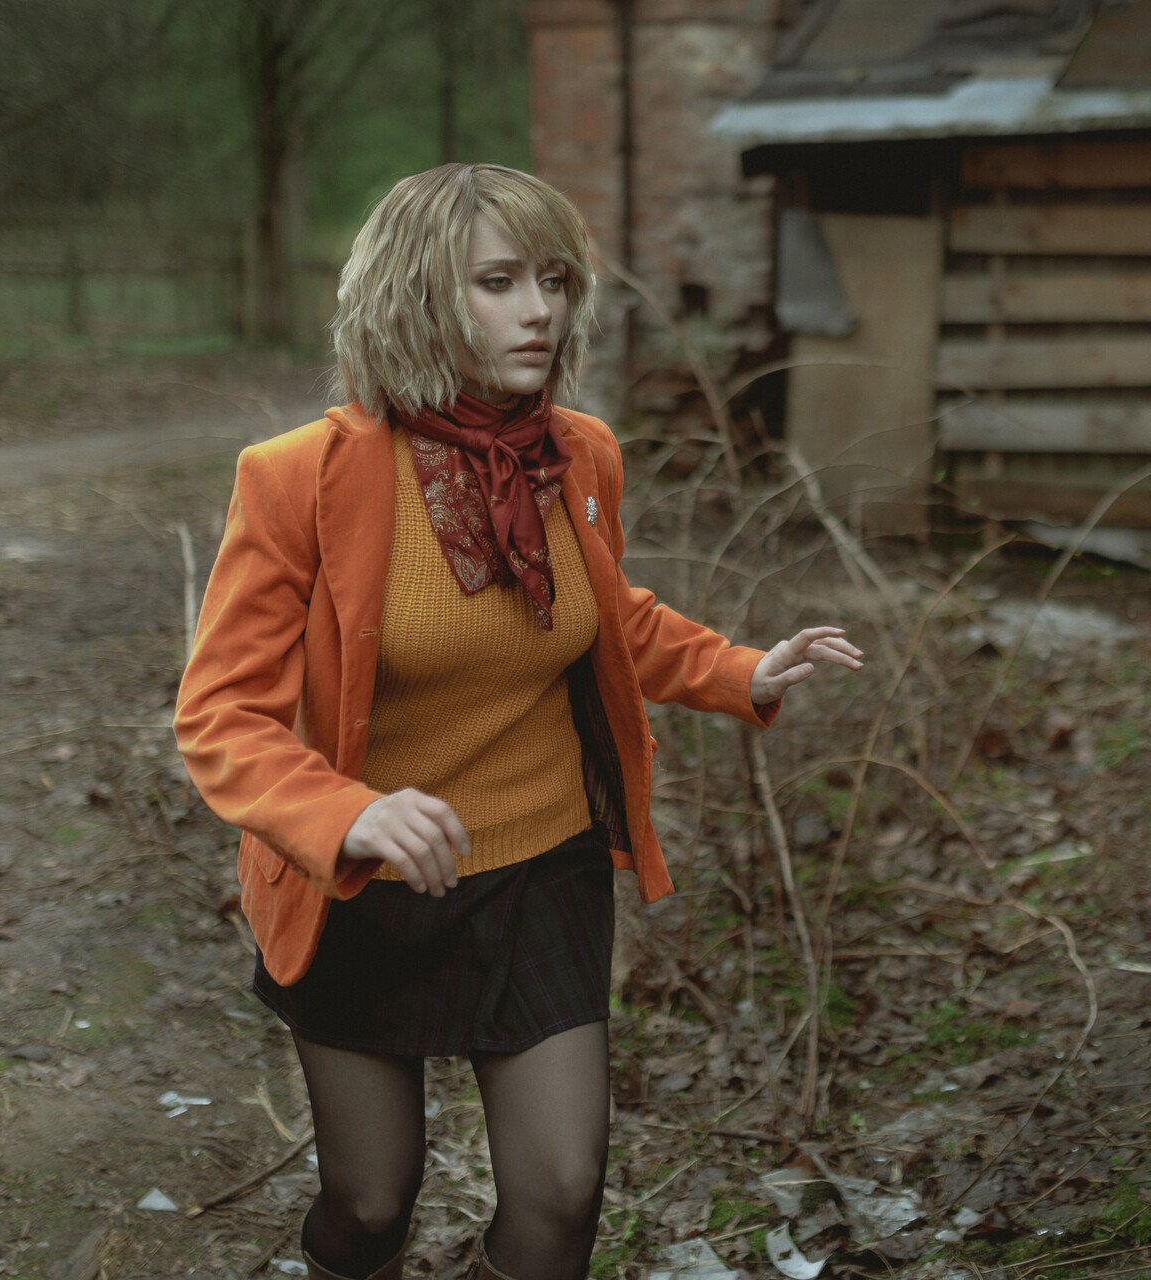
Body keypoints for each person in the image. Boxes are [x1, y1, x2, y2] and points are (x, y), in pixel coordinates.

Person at [174, 163, 863, 1280]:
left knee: (560, 1194)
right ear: (413, 296)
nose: (539, 309)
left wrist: (743, 669)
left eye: (553, 279)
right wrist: (346, 813)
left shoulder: (578, 454)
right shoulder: (299, 477)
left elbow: (605, 615)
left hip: (544, 865)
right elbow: (221, 714)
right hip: (363, 885)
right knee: (369, 1204)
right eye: (498, 281)